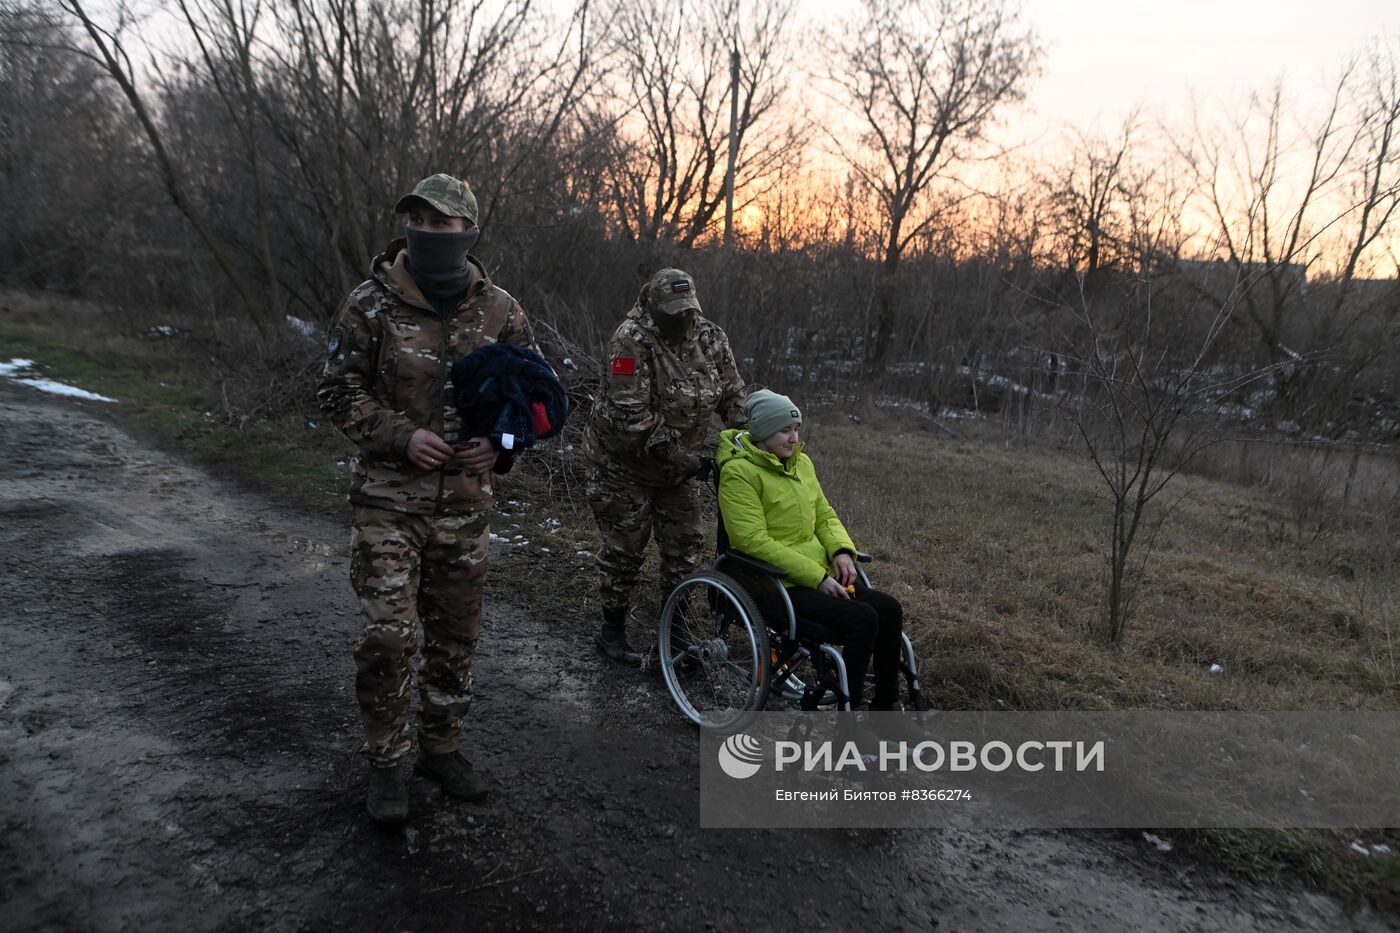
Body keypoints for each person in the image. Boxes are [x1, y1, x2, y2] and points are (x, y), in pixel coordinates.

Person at [318, 173, 541, 824]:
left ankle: (441, 747)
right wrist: (399, 434)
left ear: (469, 232)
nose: (430, 232)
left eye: (444, 224)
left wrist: (498, 444)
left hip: (466, 504)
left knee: (455, 637)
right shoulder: (369, 303)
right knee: (389, 638)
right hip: (388, 500)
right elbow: (336, 389)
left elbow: (533, 399)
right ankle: (387, 762)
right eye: (420, 220)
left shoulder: (502, 311)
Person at [583, 268, 749, 664]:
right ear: (653, 307)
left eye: (687, 310)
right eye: (672, 312)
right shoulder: (631, 341)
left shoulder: (711, 338)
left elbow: (732, 394)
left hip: (678, 469)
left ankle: (673, 637)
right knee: (625, 551)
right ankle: (612, 631)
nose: (682, 318)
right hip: (623, 466)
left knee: (685, 549)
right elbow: (630, 419)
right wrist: (688, 460)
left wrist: (746, 440)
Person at [716, 390, 905, 710]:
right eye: (785, 430)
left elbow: (824, 516)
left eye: (796, 429)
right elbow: (752, 541)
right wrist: (817, 577)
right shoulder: (739, 473)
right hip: (773, 582)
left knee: (889, 609)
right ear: (762, 432)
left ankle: (886, 708)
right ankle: (849, 724)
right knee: (863, 619)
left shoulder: (801, 464)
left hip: (816, 574)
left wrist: (842, 550)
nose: (794, 438)